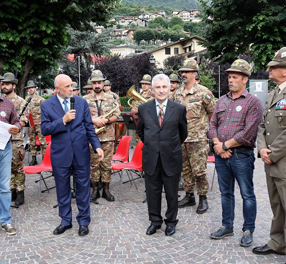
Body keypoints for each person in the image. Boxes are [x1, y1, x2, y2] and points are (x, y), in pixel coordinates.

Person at [208, 59, 263, 247]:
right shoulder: (221, 100)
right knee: (225, 193)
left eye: (235, 77)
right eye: (229, 77)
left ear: (245, 79)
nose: (230, 80)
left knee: (247, 194)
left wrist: (224, 146)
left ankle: (248, 229)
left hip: (241, 155)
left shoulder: (253, 102)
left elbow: (248, 132)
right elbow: (212, 124)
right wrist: (217, 145)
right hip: (221, 154)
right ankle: (227, 226)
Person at [41, 74, 104, 236]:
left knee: (83, 188)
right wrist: (63, 120)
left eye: (72, 86)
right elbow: (45, 129)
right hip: (60, 154)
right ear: (57, 89)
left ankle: (83, 221)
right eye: (67, 87)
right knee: (62, 189)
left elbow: (89, 127)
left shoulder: (81, 102)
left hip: (81, 152)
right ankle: (65, 221)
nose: (71, 89)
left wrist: (97, 146)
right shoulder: (47, 105)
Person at [137, 74, 188, 236]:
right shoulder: (143, 109)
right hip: (151, 157)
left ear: (169, 89)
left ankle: (171, 222)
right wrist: (154, 145)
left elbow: (183, 133)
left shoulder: (179, 109)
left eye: (164, 87)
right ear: (152, 90)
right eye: (157, 87)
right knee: (153, 192)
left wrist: (169, 146)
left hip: (171, 157)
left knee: (172, 193)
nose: (161, 90)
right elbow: (140, 131)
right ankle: (155, 221)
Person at [253, 47, 286, 255]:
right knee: (276, 205)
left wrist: (272, 153)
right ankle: (278, 243)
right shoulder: (273, 93)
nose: (269, 70)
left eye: (273, 67)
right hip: (270, 160)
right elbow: (262, 125)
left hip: (282, 161)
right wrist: (262, 148)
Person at [175, 59, 216, 214]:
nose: (183, 74)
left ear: (195, 73)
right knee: (185, 170)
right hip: (181, 139)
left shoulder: (204, 93)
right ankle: (189, 195)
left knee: (199, 171)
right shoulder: (178, 93)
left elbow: (213, 113)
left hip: (198, 139)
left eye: (186, 72)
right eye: (182, 72)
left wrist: (207, 132)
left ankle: (203, 198)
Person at [84, 70, 121, 203]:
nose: (97, 85)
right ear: (91, 84)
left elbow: (117, 115)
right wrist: (94, 120)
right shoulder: (85, 99)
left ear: (103, 83)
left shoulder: (112, 98)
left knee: (106, 164)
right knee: (94, 164)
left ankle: (106, 189)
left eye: (99, 82)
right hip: (92, 136)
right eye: (94, 83)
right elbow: (81, 117)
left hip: (108, 136)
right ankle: (94, 190)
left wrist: (106, 121)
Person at [1, 72, 28, 207]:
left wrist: (16, 126)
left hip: (16, 140)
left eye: (7, 84)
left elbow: (24, 120)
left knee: (18, 167)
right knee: (7, 168)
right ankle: (11, 190)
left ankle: (20, 192)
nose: (4, 87)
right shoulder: (1, 101)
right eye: (3, 84)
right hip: (3, 140)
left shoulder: (21, 101)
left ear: (13, 86)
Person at [0, 88, 21, 235]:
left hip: (5, 148)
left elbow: (17, 122)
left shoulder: (7, 103)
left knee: (5, 186)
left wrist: (17, 128)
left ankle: (5, 221)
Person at [25, 80, 46, 166]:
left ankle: (44, 158)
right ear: (27, 90)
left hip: (39, 123)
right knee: (32, 142)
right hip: (31, 124)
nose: (31, 89)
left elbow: (45, 111)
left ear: (35, 89)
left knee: (42, 142)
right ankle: (34, 159)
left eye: (32, 88)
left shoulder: (41, 100)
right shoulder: (26, 100)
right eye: (29, 88)